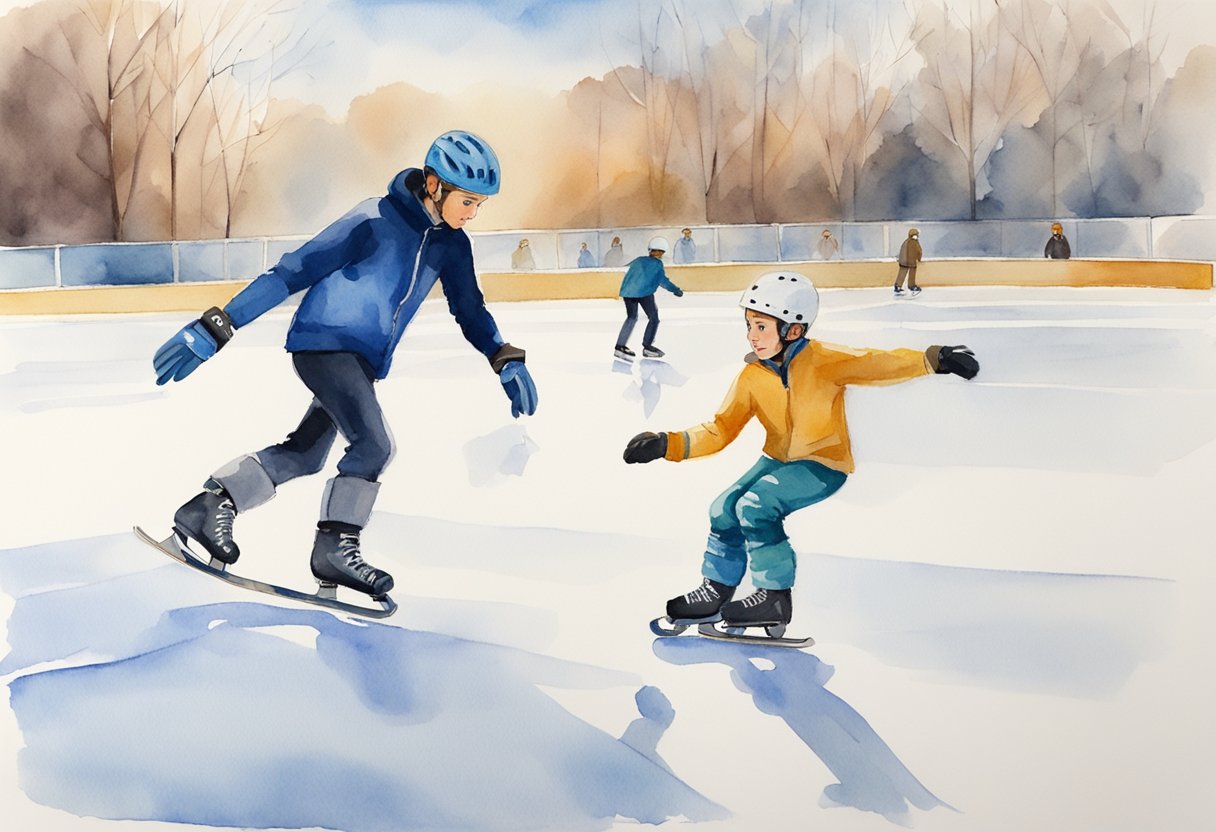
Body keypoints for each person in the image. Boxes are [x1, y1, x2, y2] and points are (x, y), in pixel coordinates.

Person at [151, 130, 539, 601]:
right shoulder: (372, 219)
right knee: (373, 445)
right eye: (467, 201)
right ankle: (335, 550)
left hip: (362, 361)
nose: (472, 214)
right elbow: (293, 270)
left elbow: (470, 309)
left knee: (306, 453)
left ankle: (208, 507)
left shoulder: (452, 247)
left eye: (480, 205)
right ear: (434, 185)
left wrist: (501, 356)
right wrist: (219, 324)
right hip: (324, 342)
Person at [622, 271, 978, 634]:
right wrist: (667, 443)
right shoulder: (752, 377)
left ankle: (774, 596)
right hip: (776, 459)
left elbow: (878, 363)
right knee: (723, 508)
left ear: (793, 330)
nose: (751, 336)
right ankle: (716, 590)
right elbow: (720, 429)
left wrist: (935, 359)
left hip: (822, 464)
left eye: (761, 327)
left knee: (756, 507)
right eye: (749, 326)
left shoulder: (825, 361)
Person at [614, 235, 683, 360]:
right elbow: (663, 281)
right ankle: (647, 347)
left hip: (628, 292)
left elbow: (626, 269)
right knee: (654, 318)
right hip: (644, 293)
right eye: (660, 252)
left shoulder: (639, 260)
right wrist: (676, 290)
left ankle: (619, 347)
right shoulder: (657, 264)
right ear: (661, 252)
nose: (660, 254)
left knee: (631, 318)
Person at [894, 227, 922, 296]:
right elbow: (919, 251)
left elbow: (902, 251)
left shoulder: (906, 242)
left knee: (902, 273)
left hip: (903, 261)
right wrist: (919, 259)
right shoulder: (915, 242)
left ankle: (898, 286)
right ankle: (912, 286)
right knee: (912, 273)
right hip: (911, 262)